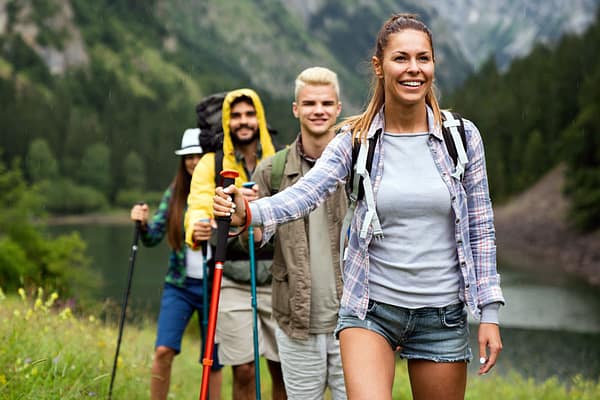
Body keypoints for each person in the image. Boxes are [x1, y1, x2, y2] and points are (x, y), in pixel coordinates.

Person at [213, 13, 505, 400]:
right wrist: (250, 213)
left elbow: (480, 227)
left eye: (423, 58)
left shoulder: (462, 138)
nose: (413, 69)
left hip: (443, 314)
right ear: (379, 66)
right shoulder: (357, 139)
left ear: (434, 64)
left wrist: (489, 312)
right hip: (371, 310)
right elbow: (307, 192)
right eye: (401, 58)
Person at [249, 66, 347, 400]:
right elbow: (257, 235)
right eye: (309, 104)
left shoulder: (359, 166)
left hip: (354, 323)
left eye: (325, 103)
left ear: (338, 108)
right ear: (296, 109)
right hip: (295, 322)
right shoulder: (271, 171)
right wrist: (243, 222)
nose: (318, 111)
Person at [185, 89, 286, 400]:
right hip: (231, 276)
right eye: (236, 116)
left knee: (282, 369)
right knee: (242, 369)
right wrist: (197, 227)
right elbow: (198, 205)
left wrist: (261, 205)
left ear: (260, 119)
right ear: (227, 122)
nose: (244, 122)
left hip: (279, 278)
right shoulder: (211, 164)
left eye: (249, 114)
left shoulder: (280, 161)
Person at [130, 128, 223, 400]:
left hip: (214, 286)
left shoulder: (219, 192)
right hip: (179, 287)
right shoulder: (175, 193)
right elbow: (153, 235)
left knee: (213, 360)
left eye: (199, 156)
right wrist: (142, 223)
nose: (194, 162)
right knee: (163, 351)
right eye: (188, 157)